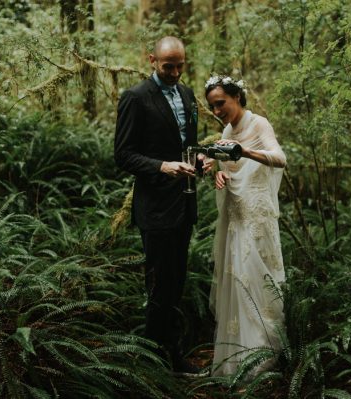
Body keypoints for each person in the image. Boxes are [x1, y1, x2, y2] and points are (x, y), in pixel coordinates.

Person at [114, 36, 203, 376]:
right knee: (158, 286)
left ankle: (168, 357)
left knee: (176, 282)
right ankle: (153, 363)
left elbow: (189, 144)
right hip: (155, 208)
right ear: (151, 59)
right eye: (168, 66)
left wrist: (202, 160)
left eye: (180, 66)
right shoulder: (135, 98)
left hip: (185, 204)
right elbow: (123, 154)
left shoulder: (187, 94)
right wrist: (161, 166)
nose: (175, 72)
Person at [203, 75, 286, 377]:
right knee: (236, 283)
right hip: (235, 218)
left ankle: (262, 362)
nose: (217, 111)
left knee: (257, 284)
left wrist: (245, 151)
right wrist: (218, 174)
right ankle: (237, 362)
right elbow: (228, 167)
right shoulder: (226, 130)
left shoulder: (258, 124)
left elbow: (280, 158)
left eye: (220, 103)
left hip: (256, 219)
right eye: (212, 107)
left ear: (236, 96)